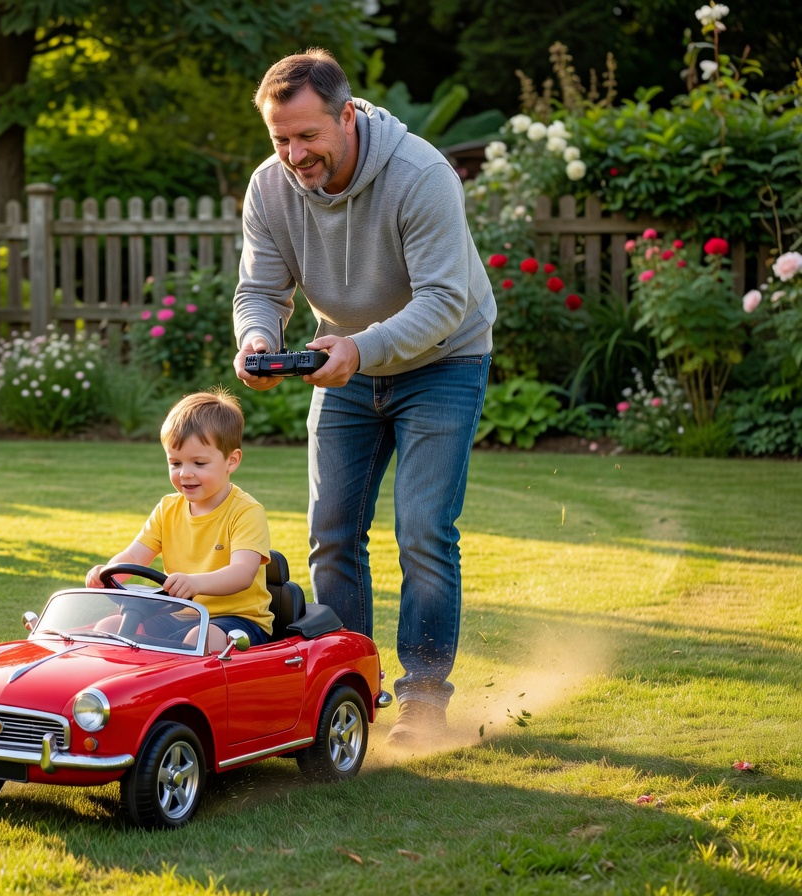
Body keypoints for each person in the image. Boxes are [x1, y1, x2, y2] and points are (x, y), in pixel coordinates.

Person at [232, 48, 495, 749]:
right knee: (332, 532)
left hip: (444, 360)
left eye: (307, 135)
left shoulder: (421, 175)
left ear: (347, 116)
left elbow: (444, 300)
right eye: (280, 139)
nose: (295, 155)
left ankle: (424, 699)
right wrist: (258, 339)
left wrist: (359, 348)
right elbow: (260, 290)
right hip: (344, 361)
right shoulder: (270, 187)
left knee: (424, 530)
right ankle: (350, 692)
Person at [85, 389, 274, 653]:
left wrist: (195, 583)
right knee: (109, 626)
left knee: (200, 638)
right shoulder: (167, 508)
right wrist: (108, 571)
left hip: (237, 620)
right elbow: (135, 556)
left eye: (199, 463)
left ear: (231, 461)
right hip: (180, 614)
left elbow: (242, 573)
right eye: (175, 463)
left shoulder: (246, 512)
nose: (185, 473)